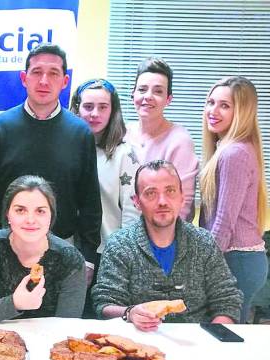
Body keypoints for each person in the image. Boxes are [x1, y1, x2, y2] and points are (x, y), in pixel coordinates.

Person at [0, 43, 101, 279]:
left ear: (65, 81)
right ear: (24, 78)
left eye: (53, 73)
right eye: (37, 72)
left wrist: (88, 258)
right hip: (3, 250)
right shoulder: (0, 127)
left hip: (59, 254)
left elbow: (89, 203)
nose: (44, 80)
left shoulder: (80, 133)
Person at [93, 160, 243, 332]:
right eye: (151, 193)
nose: (162, 201)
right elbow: (104, 303)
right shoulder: (119, 245)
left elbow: (228, 300)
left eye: (170, 191)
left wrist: (211, 341)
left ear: (182, 197)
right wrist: (129, 313)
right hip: (137, 346)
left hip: (196, 344)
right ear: (136, 202)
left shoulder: (204, 243)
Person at [0, 176, 86, 322]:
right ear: (7, 214)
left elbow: (68, 326)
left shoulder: (70, 259)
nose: (30, 220)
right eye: (20, 210)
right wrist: (14, 303)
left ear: (51, 216)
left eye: (40, 211)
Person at [199, 76, 268, 323]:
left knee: (225, 339)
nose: (213, 111)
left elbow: (224, 221)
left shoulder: (234, 153)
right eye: (211, 102)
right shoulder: (230, 148)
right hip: (240, 258)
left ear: (242, 112)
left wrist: (202, 265)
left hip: (236, 259)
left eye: (224, 105)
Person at [70, 79, 140, 255]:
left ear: (112, 111)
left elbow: (132, 212)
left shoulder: (125, 154)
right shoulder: (65, 149)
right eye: (88, 106)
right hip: (67, 248)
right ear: (77, 109)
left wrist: (124, 253)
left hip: (108, 251)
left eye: (103, 107)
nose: (95, 114)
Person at [124, 57, 198, 221]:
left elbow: (182, 207)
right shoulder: (122, 133)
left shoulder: (180, 141)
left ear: (168, 99)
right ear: (133, 94)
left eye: (158, 91)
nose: (148, 96)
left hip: (163, 235)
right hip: (120, 234)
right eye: (142, 89)